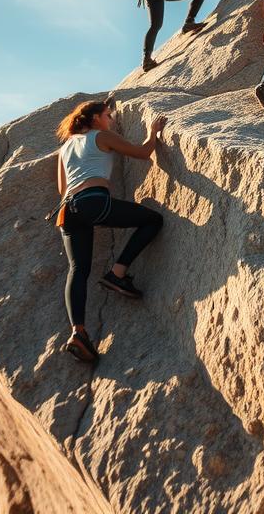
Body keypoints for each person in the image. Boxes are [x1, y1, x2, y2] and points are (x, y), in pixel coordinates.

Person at [53, 99, 167, 363]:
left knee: (77, 269)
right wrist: (153, 133)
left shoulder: (65, 148)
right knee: (152, 220)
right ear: (95, 119)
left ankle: (78, 332)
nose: (112, 120)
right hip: (93, 201)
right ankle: (117, 274)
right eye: (108, 115)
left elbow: (62, 189)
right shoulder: (101, 135)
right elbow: (142, 152)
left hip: (67, 211)